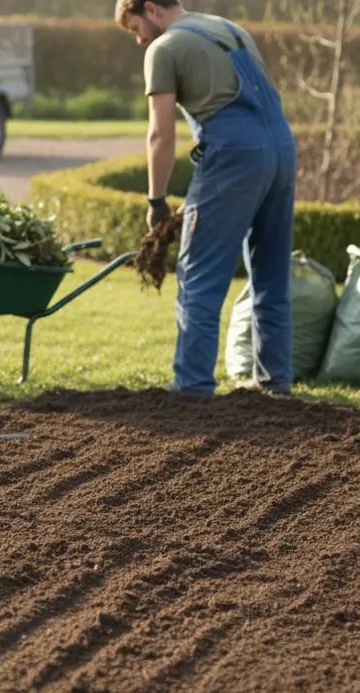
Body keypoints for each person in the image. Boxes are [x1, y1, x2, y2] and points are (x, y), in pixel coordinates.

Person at [116, 0, 297, 396]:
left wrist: (156, 202)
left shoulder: (163, 50)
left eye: (134, 28)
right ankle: (275, 381)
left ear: (150, 8)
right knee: (270, 275)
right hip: (282, 149)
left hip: (234, 153)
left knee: (198, 275)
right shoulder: (228, 28)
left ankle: (192, 387)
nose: (138, 39)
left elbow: (160, 136)